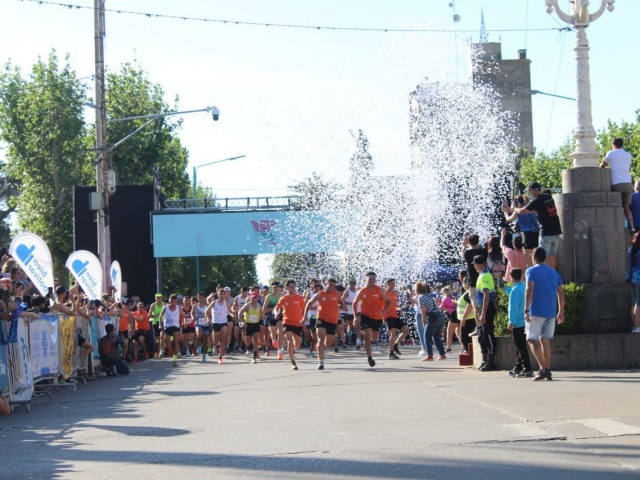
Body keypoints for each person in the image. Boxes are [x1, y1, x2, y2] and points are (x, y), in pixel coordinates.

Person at [525, 247, 565, 381]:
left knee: (532, 339)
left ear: (534, 257)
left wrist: (526, 310)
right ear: (545, 258)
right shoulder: (553, 272)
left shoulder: (531, 271)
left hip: (536, 311)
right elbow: (561, 292)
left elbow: (529, 290)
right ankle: (546, 368)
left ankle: (544, 369)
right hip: (551, 312)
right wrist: (561, 311)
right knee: (545, 340)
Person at [514, 182, 562, 270]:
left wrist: (513, 209)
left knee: (544, 255)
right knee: (553, 255)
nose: (530, 193)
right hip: (556, 230)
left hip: (546, 232)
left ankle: (546, 274)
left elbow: (521, 211)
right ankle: (553, 274)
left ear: (533, 190)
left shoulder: (537, 200)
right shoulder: (548, 197)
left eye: (530, 191)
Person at [351, 272, 391, 368]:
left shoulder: (379, 289)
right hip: (365, 316)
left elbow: (388, 301)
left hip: (377, 318)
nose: (372, 280)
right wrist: (355, 316)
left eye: (373, 278)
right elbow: (354, 303)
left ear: (375, 280)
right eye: (370, 278)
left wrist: (384, 310)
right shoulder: (362, 291)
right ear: (366, 279)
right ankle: (370, 357)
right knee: (367, 335)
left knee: (374, 338)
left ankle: (370, 347)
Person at [304, 278, 345, 370]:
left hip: (332, 321)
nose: (331, 287)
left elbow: (342, 304)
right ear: (326, 284)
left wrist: (342, 307)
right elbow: (309, 303)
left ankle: (321, 352)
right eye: (329, 285)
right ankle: (320, 361)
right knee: (320, 339)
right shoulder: (320, 294)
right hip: (321, 319)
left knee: (328, 342)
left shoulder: (336, 294)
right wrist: (304, 316)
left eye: (333, 286)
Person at [600, 137, 634, 233]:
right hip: (628, 184)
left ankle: (620, 226)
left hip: (616, 184)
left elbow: (602, 166)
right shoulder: (628, 155)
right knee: (626, 207)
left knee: (617, 206)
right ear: (622, 145)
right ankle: (632, 228)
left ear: (613, 145)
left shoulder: (611, 153)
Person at [505, 268, 532, 377]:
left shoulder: (515, 290)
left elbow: (513, 307)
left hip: (517, 323)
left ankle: (527, 368)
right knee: (521, 346)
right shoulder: (523, 287)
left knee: (520, 346)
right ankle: (519, 366)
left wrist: (511, 321)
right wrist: (506, 289)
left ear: (511, 277)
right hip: (525, 321)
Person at [275, 279, 306, 370]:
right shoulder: (284, 298)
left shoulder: (300, 298)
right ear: (287, 288)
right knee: (289, 340)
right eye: (291, 286)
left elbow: (304, 310)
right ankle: (293, 362)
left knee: (298, 344)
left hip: (298, 323)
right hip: (287, 322)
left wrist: (304, 319)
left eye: (294, 286)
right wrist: (276, 313)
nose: (292, 288)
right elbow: (277, 307)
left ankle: (293, 350)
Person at [473, 255, 497, 371]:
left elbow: (486, 295)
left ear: (477, 264)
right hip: (482, 306)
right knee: (481, 335)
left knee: (488, 334)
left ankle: (491, 360)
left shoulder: (486, 275)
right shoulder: (481, 275)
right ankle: (485, 358)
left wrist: (483, 312)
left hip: (487, 307)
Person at [502, 195, 539, 267]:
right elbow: (515, 210)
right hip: (536, 235)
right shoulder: (530, 209)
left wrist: (505, 213)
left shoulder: (518, 211)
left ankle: (531, 275)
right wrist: (509, 209)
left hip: (527, 236)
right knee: (535, 257)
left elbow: (509, 219)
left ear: (517, 203)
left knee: (529, 259)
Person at [417, 282, 447, 362]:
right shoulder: (429, 296)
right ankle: (442, 354)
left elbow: (423, 310)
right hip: (440, 315)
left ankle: (430, 356)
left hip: (433, 317)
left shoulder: (421, 297)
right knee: (436, 336)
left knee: (426, 336)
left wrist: (423, 321)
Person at [383, 278, 410, 359]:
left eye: (394, 283)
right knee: (393, 332)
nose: (393, 285)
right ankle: (391, 353)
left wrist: (399, 309)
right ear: (387, 284)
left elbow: (394, 305)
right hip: (387, 316)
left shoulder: (395, 293)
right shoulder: (384, 294)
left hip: (394, 315)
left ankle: (395, 345)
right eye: (391, 283)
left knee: (406, 330)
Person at [461, 234, 488, 310]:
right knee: (484, 301)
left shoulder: (468, 253)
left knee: (475, 304)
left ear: (469, 242)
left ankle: (478, 318)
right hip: (483, 278)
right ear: (478, 241)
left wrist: (464, 246)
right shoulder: (484, 251)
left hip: (473, 281)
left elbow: (462, 257)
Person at [159, 294, 184, 367]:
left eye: (174, 301)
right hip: (167, 327)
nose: (172, 302)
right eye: (171, 300)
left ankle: (174, 360)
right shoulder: (165, 307)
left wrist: (188, 317)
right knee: (168, 344)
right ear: (169, 300)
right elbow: (160, 315)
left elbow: (183, 314)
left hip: (175, 327)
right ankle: (167, 351)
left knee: (176, 342)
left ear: (176, 301)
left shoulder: (178, 307)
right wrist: (160, 324)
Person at [238, 292, 262, 364]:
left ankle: (254, 358)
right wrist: (243, 322)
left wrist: (261, 318)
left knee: (255, 339)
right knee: (248, 342)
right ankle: (250, 349)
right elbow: (239, 313)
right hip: (248, 324)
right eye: (253, 297)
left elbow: (261, 314)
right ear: (250, 297)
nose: (254, 299)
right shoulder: (247, 305)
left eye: (255, 298)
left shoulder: (259, 306)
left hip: (256, 324)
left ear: (257, 298)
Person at [627, 233, 640, 333]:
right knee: (638, 303)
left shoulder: (631, 250)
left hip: (631, 278)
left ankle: (635, 327)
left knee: (634, 302)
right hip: (638, 278)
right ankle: (638, 326)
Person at [440, 286, 460, 354]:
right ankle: (464, 346)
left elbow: (441, 307)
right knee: (458, 332)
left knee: (449, 332)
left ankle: (448, 348)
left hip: (453, 316)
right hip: (458, 314)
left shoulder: (445, 298)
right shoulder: (453, 297)